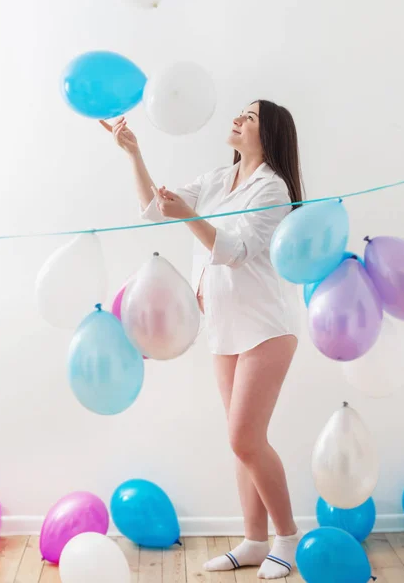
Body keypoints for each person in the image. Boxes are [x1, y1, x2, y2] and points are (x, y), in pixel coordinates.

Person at [100, 100, 304, 580]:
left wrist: (189, 215)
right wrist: (133, 153)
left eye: (250, 117)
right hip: (224, 326)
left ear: (270, 133)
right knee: (242, 445)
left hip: (266, 328)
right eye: (240, 112)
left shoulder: (272, 187)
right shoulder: (217, 179)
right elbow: (154, 209)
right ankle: (254, 541)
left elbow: (234, 251)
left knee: (245, 438)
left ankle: (286, 537)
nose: (238, 118)